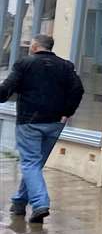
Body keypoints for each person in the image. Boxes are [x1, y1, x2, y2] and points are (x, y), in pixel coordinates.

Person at [4, 34, 85, 223]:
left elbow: (6, 89)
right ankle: (19, 202)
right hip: (55, 123)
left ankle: (40, 204)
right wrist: (67, 112)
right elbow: (78, 90)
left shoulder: (24, 64)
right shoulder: (65, 66)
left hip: (29, 122)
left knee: (30, 163)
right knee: (35, 164)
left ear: (34, 46)